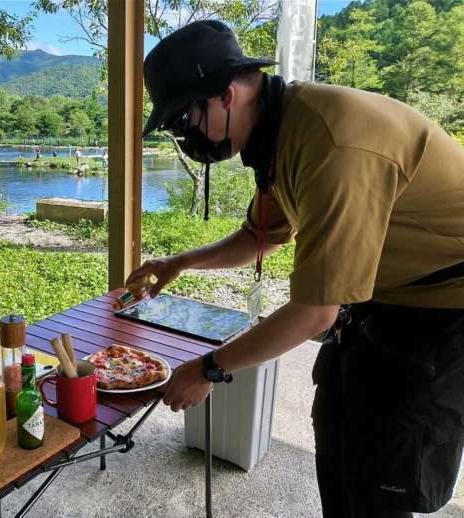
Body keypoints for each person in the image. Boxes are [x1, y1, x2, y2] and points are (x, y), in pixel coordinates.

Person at [132, 20, 464, 518]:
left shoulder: (331, 142)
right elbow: (259, 235)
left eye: (184, 119)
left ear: (224, 95)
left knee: (386, 470)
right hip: (380, 297)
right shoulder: (275, 131)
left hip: (444, 306)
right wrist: (179, 263)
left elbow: (314, 314)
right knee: (336, 424)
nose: (184, 137)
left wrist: (209, 369)